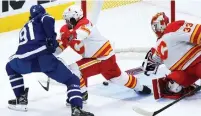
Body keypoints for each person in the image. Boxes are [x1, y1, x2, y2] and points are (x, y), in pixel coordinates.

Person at [6, 4, 94, 116]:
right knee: (72, 80)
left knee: (10, 67)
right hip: (44, 59)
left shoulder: (25, 26)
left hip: (24, 60)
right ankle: (76, 108)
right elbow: (48, 19)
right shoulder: (43, 17)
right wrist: (51, 39)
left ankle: (20, 99)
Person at [55, 5, 152, 104]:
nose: (66, 22)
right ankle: (140, 87)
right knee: (118, 78)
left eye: (68, 20)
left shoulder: (85, 23)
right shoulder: (67, 29)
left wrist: (66, 36)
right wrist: (52, 48)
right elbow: (59, 47)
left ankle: (82, 94)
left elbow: (80, 34)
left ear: (75, 18)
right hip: (106, 57)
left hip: (102, 58)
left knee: (74, 70)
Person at [142, 12, 200, 100]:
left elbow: (198, 31)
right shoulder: (158, 44)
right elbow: (154, 60)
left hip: (197, 62)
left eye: (156, 25)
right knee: (173, 86)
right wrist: (150, 63)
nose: (155, 29)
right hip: (183, 72)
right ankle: (188, 87)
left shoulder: (173, 27)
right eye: (154, 27)